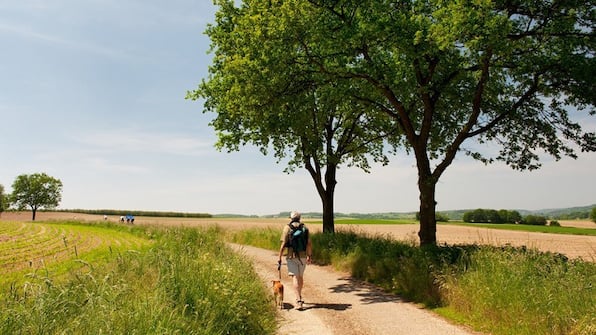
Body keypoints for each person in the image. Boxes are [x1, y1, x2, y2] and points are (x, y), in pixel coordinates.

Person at [278, 211, 312, 309]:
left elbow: (283, 244)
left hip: (291, 256)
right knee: (300, 277)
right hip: (303, 256)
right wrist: (310, 255)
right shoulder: (305, 228)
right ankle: (299, 295)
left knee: (295, 278)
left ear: (291, 218)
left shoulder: (287, 228)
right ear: (300, 218)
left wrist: (279, 257)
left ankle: (298, 300)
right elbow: (309, 243)